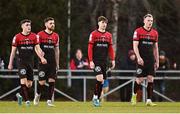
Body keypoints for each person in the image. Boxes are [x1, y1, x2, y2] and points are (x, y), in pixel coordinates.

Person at [8, 19, 47, 106]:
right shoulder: (17, 37)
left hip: (30, 62)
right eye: (27, 25)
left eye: (29, 25)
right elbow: (13, 52)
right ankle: (27, 101)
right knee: (23, 80)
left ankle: (18, 96)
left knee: (29, 85)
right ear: (22, 26)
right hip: (21, 62)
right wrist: (10, 63)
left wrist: (42, 57)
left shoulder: (34, 36)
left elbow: (37, 48)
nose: (29, 26)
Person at [131, 14, 159, 106]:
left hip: (150, 59)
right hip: (141, 59)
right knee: (139, 80)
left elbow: (155, 48)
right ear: (144, 21)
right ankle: (134, 96)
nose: (150, 22)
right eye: (148, 20)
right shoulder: (138, 31)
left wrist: (157, 60)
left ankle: (149, 100)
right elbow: (135, 46)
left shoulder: (154, 33)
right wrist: (138, 57)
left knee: (151, 79)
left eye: (151, 20)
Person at [88, 16, 115, 107]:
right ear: (98, 23)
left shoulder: (109, 35)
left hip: (104, 61)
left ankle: (96, 97)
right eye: (102, 22)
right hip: (96, 61)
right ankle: (96, 98)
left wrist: (112, 59)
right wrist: (91, 61)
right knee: (99, 79)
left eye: (105, 23)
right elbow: (90, 48)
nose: (104, 24)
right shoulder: (94, 34)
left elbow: (111, 49)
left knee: (102, 82)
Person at [33, 17, 59, 107]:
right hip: (43, 62)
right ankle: (37, 95)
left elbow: (57, 50)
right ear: (46, 24)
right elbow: (36, 48)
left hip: (52, 62)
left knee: (52, 81)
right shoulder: (39, 35)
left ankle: (49, 101)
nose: (52, 25)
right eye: (51, 23)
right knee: (42, 82)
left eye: (53, 23)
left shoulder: (56, 36)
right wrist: (41, 58)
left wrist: (57, 63)